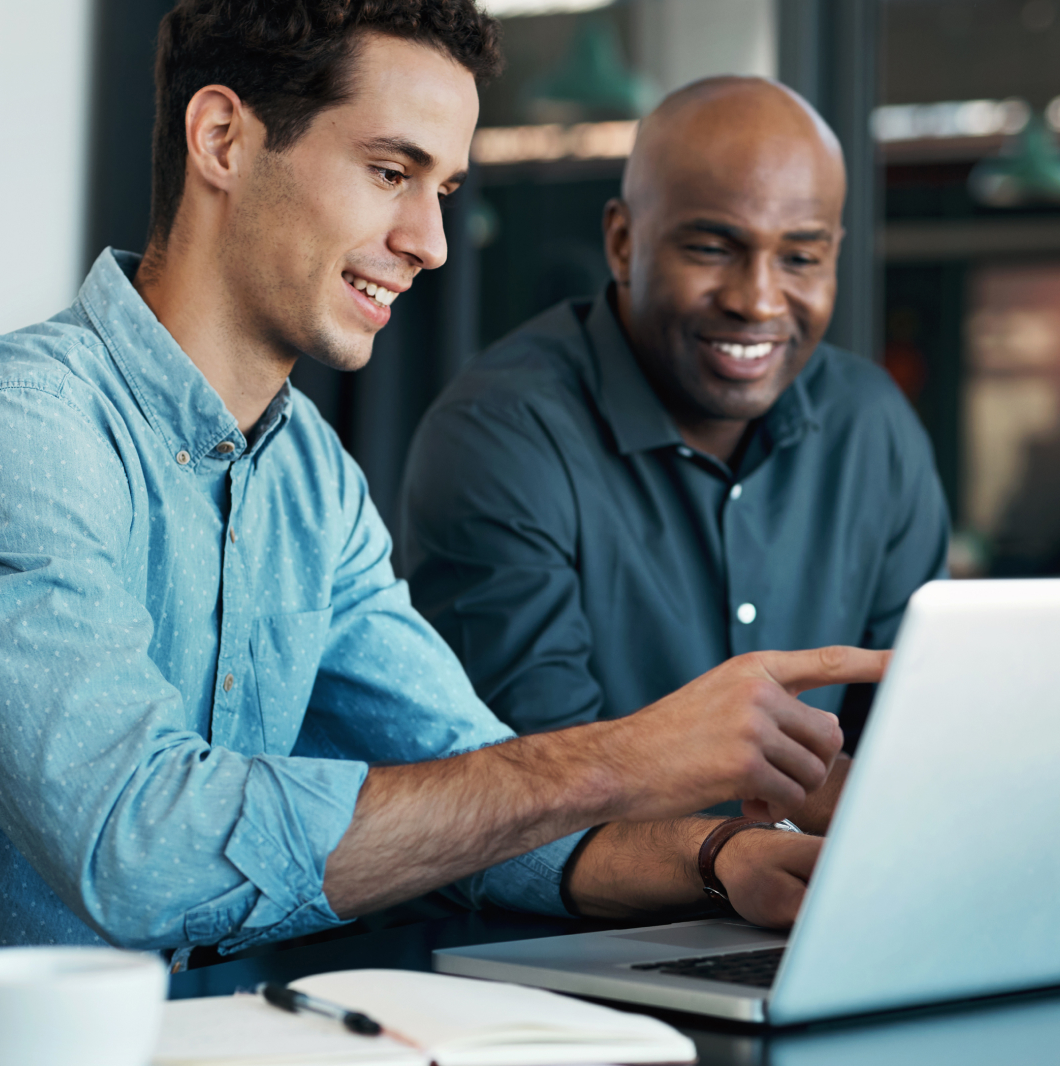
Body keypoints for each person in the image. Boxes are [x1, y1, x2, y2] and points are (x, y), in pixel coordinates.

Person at [0, 0, 885, 1054]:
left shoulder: (308, 482)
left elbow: (480, 811)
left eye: (443, 188)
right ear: (225, 139)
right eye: (391, 173)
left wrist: (716, 859)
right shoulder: (4, 438)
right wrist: (622, 755)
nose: (430, 241)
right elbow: (146, 855)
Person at [398, 77, 949, 823]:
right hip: (561, 933)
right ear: (623, 242)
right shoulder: (502, 432)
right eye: (714, 247)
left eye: (799, 258)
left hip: (817, 906)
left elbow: (918, 734)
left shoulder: (870, 424)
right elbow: (538, 783)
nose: (757, 300)